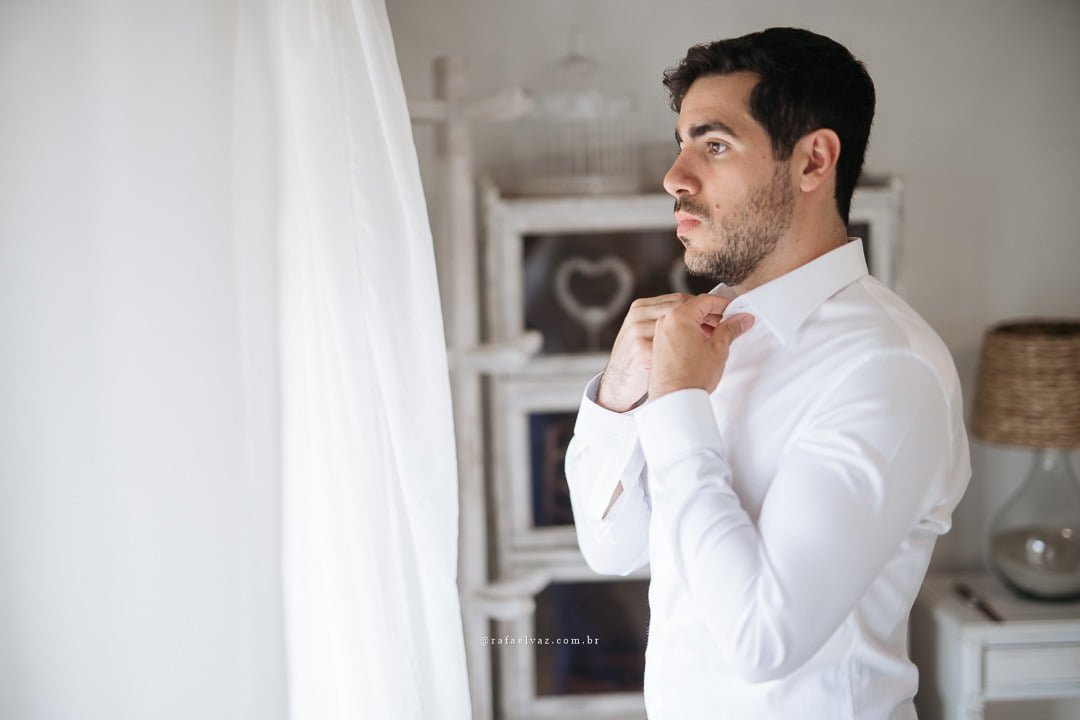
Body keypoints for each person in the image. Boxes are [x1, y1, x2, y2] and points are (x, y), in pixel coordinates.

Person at [565, 27, 971, 719]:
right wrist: (618, 397)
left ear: (814, 160)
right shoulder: (698, 334)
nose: (675, 178)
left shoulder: (886, 369)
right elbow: (610, 548)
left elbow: (762, 640)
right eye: (681, 143)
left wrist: (679, 402)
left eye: (713, 145)